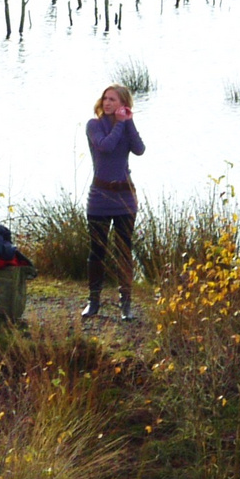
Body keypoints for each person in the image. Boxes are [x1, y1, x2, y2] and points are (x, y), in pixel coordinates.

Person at [83, 85, 145, 320]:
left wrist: (128, 122)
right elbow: (105, 146)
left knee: (124, 249)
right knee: (97, 250)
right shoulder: (94, 125)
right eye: (105, 98)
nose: (107, 102)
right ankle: (94, 301)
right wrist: (119, 124)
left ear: (123, 104)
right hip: (99, 196)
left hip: (125, 197)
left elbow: (139, 149)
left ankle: (126, 303)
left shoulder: (125, 126)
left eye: (113, 99)